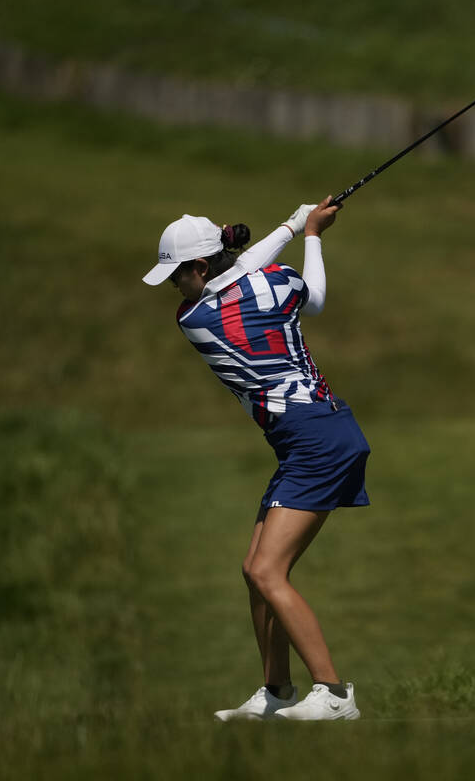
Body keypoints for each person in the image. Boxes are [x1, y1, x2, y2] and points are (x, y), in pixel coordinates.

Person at [142, 197, 368, 721]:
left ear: (199, 268)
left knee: (269, 572)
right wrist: (308, 231)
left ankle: (334, 696)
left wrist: (296, 225)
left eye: (177, 275)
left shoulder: (195, 317)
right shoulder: (273, 284)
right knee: (254, 569)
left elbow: (239, 268)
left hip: (318, 441)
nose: (174, 287)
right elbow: (312, 298)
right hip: (313, 434)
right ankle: (277, 693)